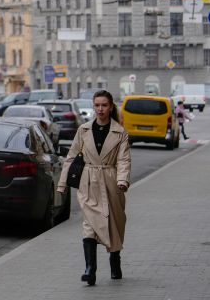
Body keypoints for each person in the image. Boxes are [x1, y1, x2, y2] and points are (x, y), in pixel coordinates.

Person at [58, 89, 132, 286]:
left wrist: (122, 180)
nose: (100, 109)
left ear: (110, 107)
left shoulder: (120, 132)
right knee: (89, 225)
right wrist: (62, 184)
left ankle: (115, 262)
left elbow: (124, 160)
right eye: (97, 105)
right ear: (93, 106)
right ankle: (90, 270)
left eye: (104, 105)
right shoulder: (83, 130)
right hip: (89, 182)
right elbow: (71, 157)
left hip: (111, 182)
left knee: (113, 224)